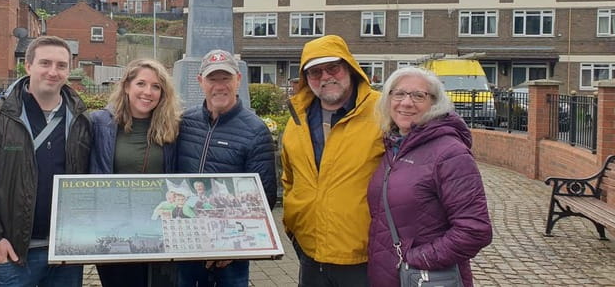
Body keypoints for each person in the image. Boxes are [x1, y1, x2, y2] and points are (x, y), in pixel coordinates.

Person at [0, 36, 91, 286]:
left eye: (61, 65)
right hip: (13, 253)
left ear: (69, 71)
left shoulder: (81, 119)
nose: (53, 72)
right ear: (28, 66)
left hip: (65, 252)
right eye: (45, 63)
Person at [366, 67, 493, 286]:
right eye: (399, 94)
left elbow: (475, 230)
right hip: (388, 276)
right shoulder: (392, 147)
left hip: (425, 278)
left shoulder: (450, 153)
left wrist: (416, 259)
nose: (406, 103)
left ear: (434, 103)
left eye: (418, 95)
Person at [280, 34, 384, 287]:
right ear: (306, 78)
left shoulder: (383, 112)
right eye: (315, 72)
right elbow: (289, 177)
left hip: (363, 256)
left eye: (333, 68)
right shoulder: (298, 120)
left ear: (349, 67)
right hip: (310, 251)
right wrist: (293, 223)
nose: (325, 77)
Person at [174, 49, 277, 287]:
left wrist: (232, 245)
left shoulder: (255, 130)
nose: (219, 86)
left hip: (230, 251)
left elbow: (264, 196)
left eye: (226, 78)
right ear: (200, 81)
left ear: (238, 80)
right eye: (212, 79)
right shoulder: (185, 122)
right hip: (189, 242)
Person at [89, 58, 181, 287]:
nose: (148, 92)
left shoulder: (174, 127)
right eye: (141, 83)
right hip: (114, 230)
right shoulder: (99, 123)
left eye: (156, 86)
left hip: (159, 231)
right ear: (127, 86)